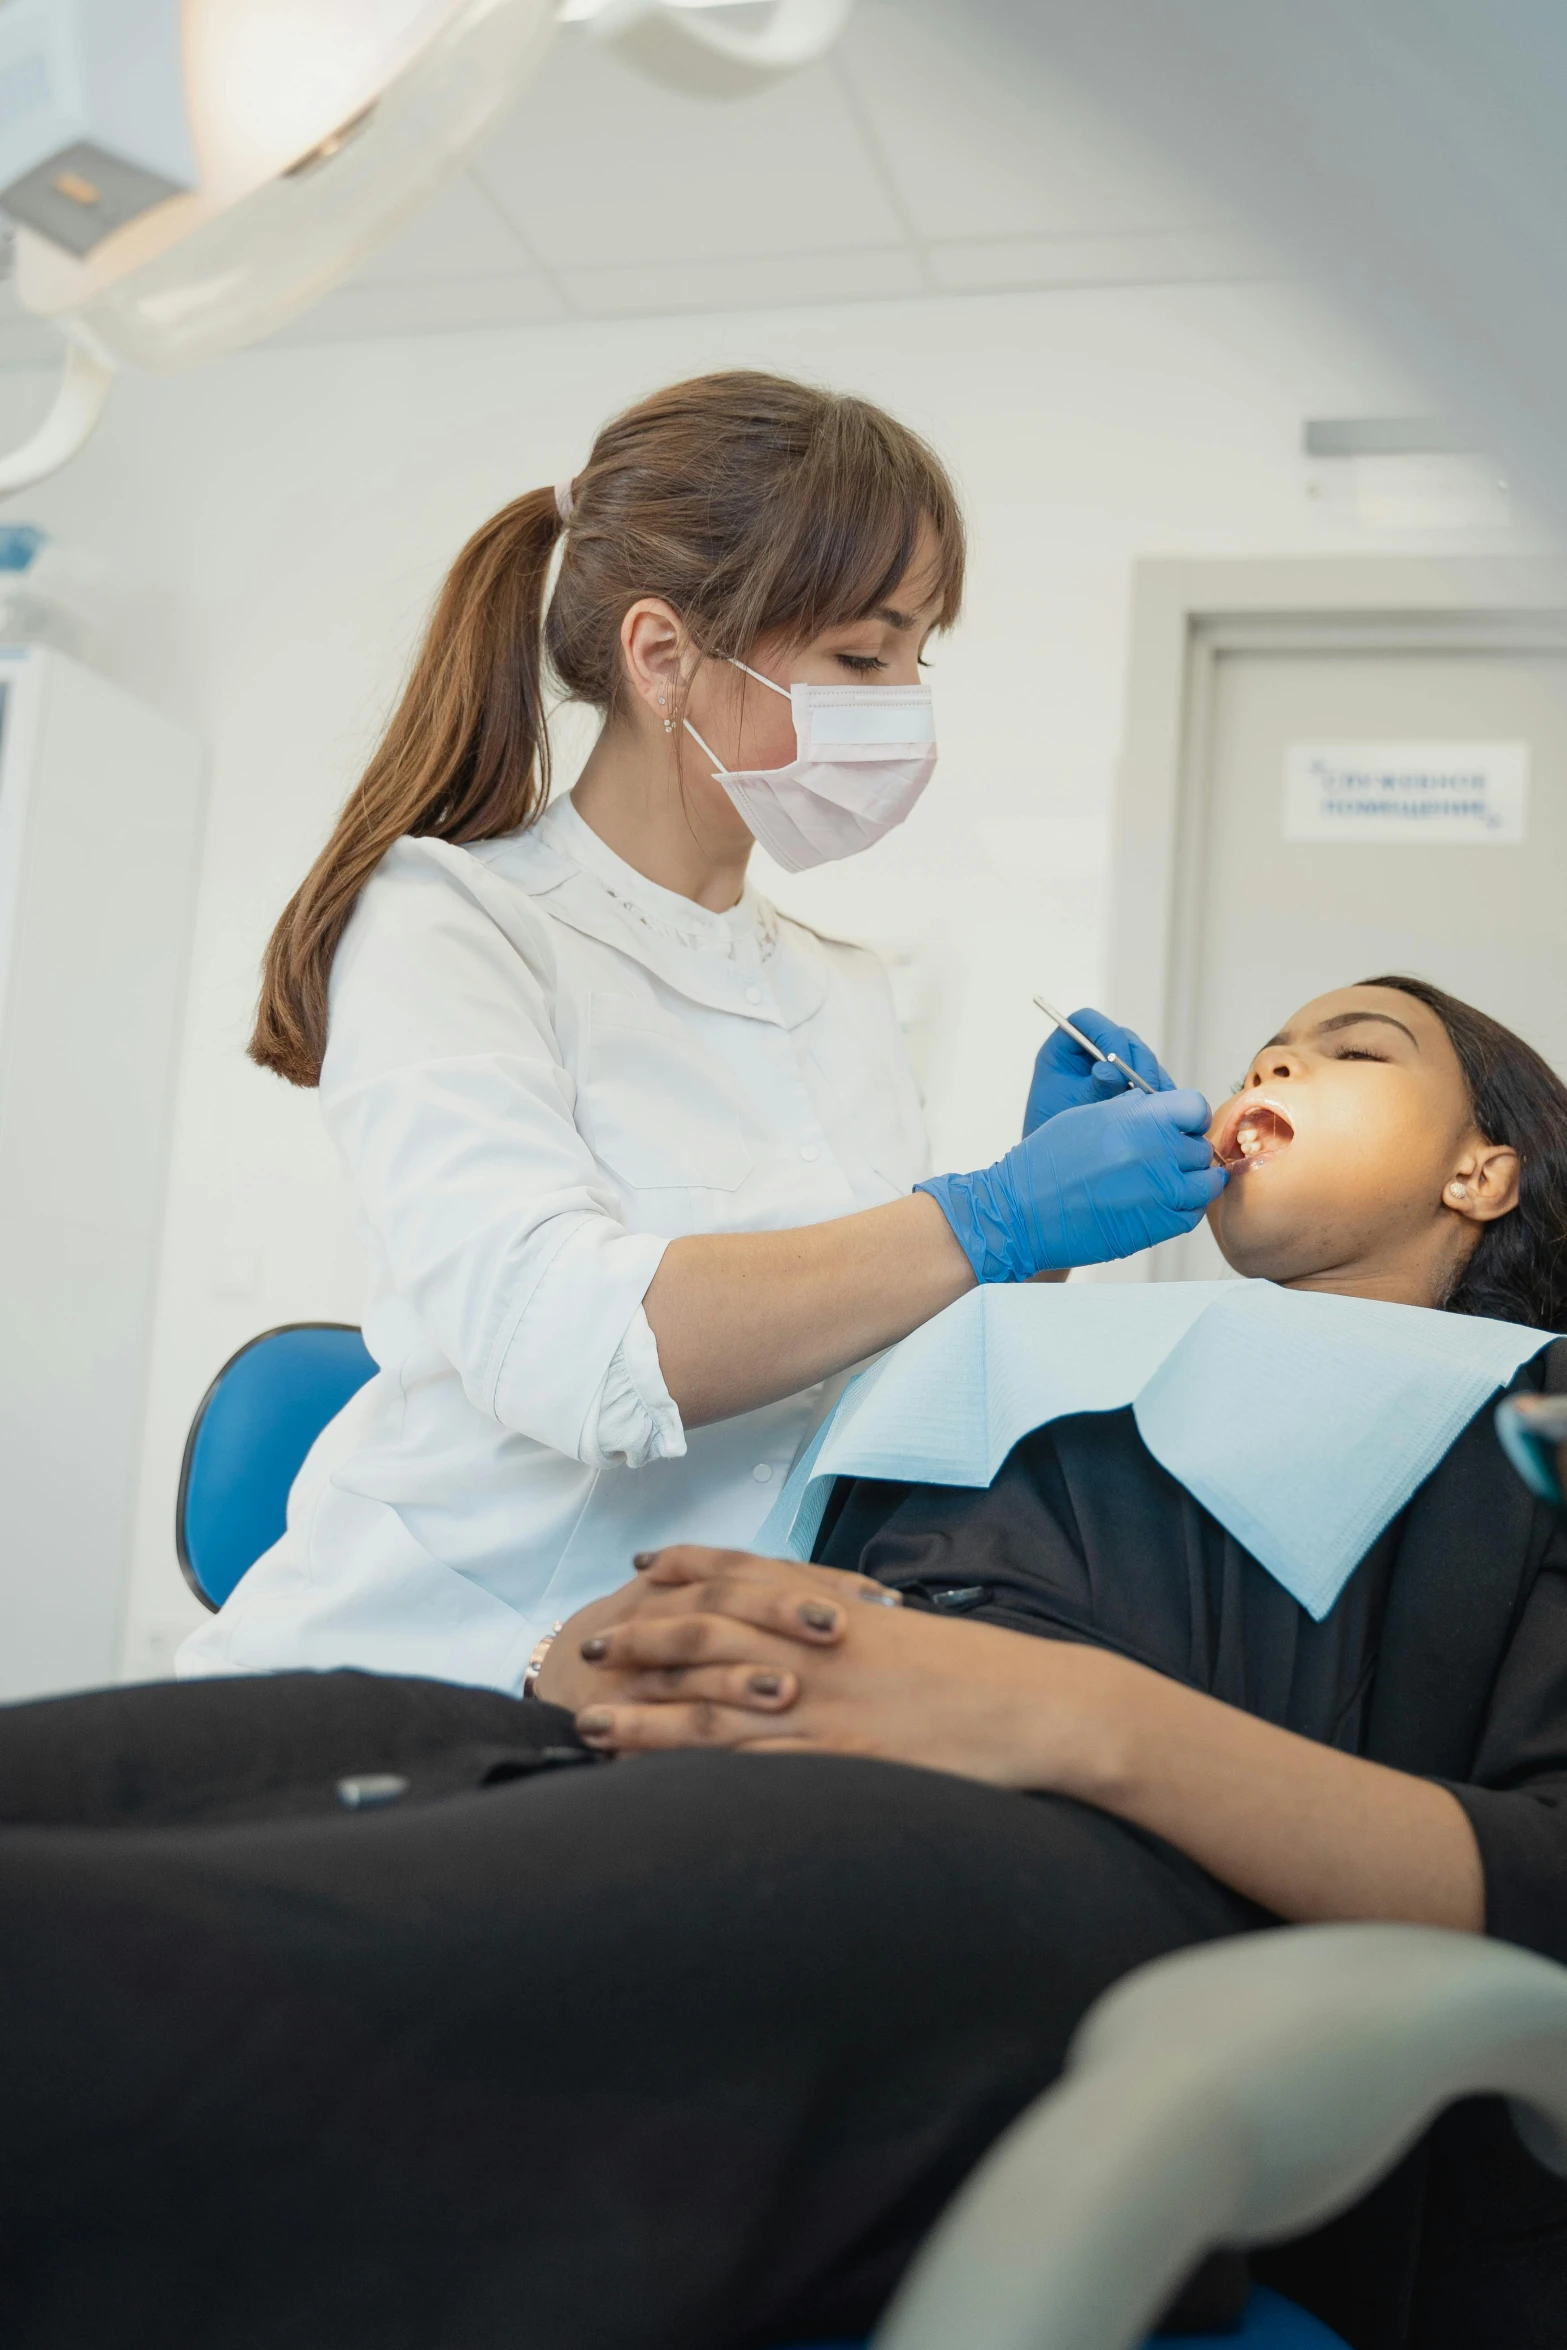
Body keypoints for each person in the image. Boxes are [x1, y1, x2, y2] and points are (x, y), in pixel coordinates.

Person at [5, 977, 1565, 2350]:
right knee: (118, 1779)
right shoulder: (1052, 1344)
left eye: (1344, 1049)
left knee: (172, 1965)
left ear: (1479, 1167)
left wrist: (1064, 1712)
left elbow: (1541, 1876)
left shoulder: (1533, 1417)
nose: (1270, 1066)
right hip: (712, 1757)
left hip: (1062, 1864)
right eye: (1265, 1046)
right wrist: (640, 1645)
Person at [178, 368, 1221, 1692]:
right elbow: (572, 1351)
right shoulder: (458, 922)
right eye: (860, 654)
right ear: (664, 657)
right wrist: (984, 1216)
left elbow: (850, 1368)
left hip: (693, 1685)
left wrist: (1024, 1256)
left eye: (916, 653)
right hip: (423, 1672)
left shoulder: (846, 986)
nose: (903, 703)